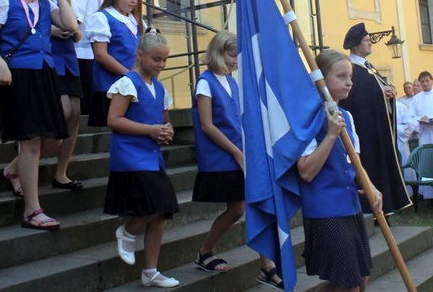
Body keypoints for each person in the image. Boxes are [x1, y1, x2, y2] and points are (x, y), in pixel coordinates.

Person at [0, 0, 78, 230]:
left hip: (45, 73)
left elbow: (71, 25)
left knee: (55, 139)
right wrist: (0, 64)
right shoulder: (4, 1)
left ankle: (13, 169)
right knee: (32, 142)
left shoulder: (46, 4)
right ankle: (32, 210)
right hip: (15, 75)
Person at [189, 31, 282, 287]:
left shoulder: (232, 82)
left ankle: (267, 265)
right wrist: (236, 152)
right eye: (232, 55)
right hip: (222, 156)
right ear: (219, 52)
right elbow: (207, 125)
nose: (235, 60)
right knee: (240, 207)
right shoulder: (206, 82)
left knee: (250, 204)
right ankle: (206, 251)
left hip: (239, 153)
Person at [298, 49, 382, 292]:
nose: (349, 82)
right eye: (342, 76)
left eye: (350, 76)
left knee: (361, 279)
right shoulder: (308, 119)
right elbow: (306, 171)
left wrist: (371, 186)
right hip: (325, 211)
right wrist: (331, 134)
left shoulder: (346, 116)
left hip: (350, 206)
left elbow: (354, 162)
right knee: (350, 285)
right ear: (322, 80)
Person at [105, 31, 180, 288]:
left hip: (151, 158)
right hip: (131, 158)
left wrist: (166, 131)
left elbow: (165, 121)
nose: (161, 65)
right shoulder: (127, 82)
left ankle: (150, 270)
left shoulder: (159, 87)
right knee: (158, 203)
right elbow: (114, 120)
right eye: (156, 59)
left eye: (164, 60)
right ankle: (128, 231)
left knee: (161, 213)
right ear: (139, 55)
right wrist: (150, 130)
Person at [338, 23, 410, 216]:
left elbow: (375, 93)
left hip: (378, 132)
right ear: (355, 46)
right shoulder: (353, 70)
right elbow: (354, 100)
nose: (370, 43)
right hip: (365, 134)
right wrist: (380, 93)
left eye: (370, 40)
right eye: (366, 40)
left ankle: (385, 208)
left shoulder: (368, 68)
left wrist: (388, 93)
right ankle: (372, 210)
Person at [39, 0, 84, 191]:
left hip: (68, 56)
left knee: (75, 114)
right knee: (63, 111)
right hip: (48, 58)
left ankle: (61, 173)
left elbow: (78, 32)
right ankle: (21, 163)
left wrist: (70, 32)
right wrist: (56, 31)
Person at [88, 0, 144, 127]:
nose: (133, 0)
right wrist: (129, 74)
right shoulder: (102, 18)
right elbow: (101, 55)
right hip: (111, 87)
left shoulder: (136, 21)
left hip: (134, 86)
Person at [406, 71, 433, 200]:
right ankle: (431, 196)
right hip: (425, 136)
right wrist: (420, 119)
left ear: (432, 80)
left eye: (427, 81)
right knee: (428, 163)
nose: (425, 84)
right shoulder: (417, 98)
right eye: (422, 82)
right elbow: (411, 117)